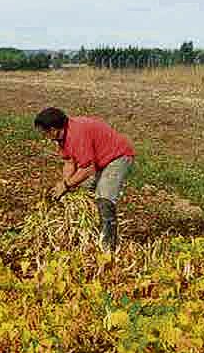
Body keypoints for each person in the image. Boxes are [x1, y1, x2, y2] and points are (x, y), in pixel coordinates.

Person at [33, 107, 134, 251]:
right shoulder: (62, 137)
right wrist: (65, 184)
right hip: (100, 159)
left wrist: (67, 185)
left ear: (53, 129)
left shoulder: (76, 134)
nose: (44, 135)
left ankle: (108, 246)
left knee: (104, 198)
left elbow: (88, 169)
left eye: (44, 131)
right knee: (83, 191)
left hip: (117, 157)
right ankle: (89, 234)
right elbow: (69, 162)